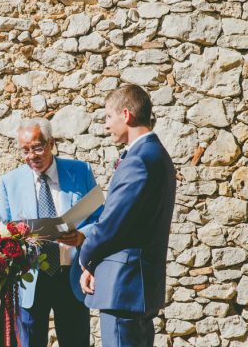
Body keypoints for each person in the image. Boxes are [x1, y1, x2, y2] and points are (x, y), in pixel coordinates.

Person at [79, 85, 176, 347]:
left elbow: (112, 223)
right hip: (138, 286)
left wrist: (86, 258)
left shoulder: (138, 159)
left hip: (123, 287)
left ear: (126, 114)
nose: (105, 125)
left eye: (109, 117)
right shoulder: (157, 155)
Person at [0, 118, 103, 347]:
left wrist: (82, 235)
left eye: (37, 147)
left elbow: (100, 218)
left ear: (51, 143)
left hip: (72, 274)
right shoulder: (9, 182)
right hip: (31, 277)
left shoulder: (80, 171)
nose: (32, 156)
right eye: (25, 150)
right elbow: (4, 229)